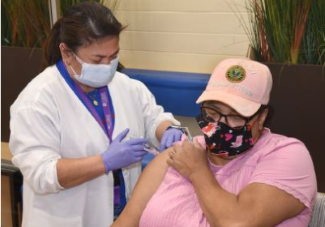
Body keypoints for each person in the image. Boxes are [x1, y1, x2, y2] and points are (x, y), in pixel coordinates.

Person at [8, 2, 183, 227]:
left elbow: (153, 118)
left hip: (122, 215)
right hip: (67, 219)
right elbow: (41, 173)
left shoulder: (126, 86)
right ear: (66, 52)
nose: (108, 66)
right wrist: (104, 161)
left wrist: (167, 129)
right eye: (97, 59)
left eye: (114, 56)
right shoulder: (37, 100)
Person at [111, 58, 317, 227]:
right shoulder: (180, 155)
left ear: (261, 117)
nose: (220, 125)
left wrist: (198, 171)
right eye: (212, 112)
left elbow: (237, 223)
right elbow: (127, 222)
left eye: (236, 116)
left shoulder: (286, 155)